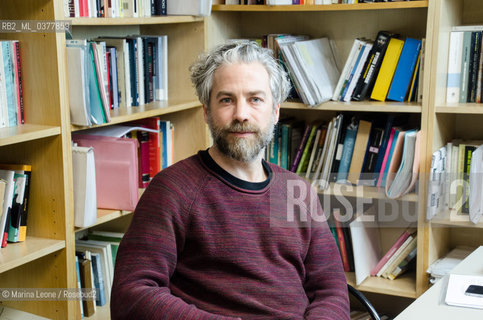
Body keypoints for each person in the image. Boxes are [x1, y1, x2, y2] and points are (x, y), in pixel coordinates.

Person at [111, 41, 350, 319]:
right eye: (226, 100)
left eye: (255, 99)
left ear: (275, 112)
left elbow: (330, 288)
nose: (241, 114)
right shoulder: (173, 190)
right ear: (206, 111)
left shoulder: (298, 191)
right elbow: (132, 293)